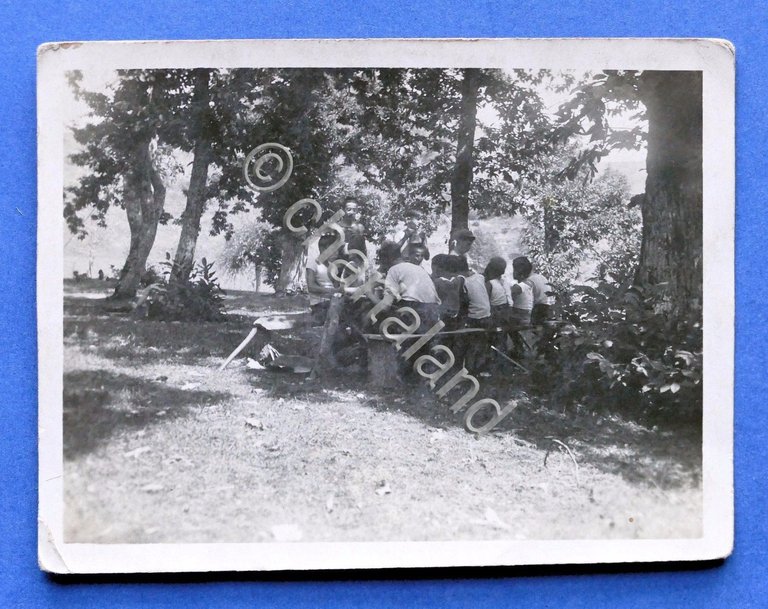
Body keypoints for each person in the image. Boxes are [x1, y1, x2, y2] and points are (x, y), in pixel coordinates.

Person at [306, 232, 341, 326]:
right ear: (322, 249)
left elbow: (337, 287)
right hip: (319, 305)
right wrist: (333, 291)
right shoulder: (313, 264)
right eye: (333, 250)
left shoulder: (333, 267)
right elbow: (311, 287)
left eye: (337, 250)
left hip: (333, 302)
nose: (336, 253)